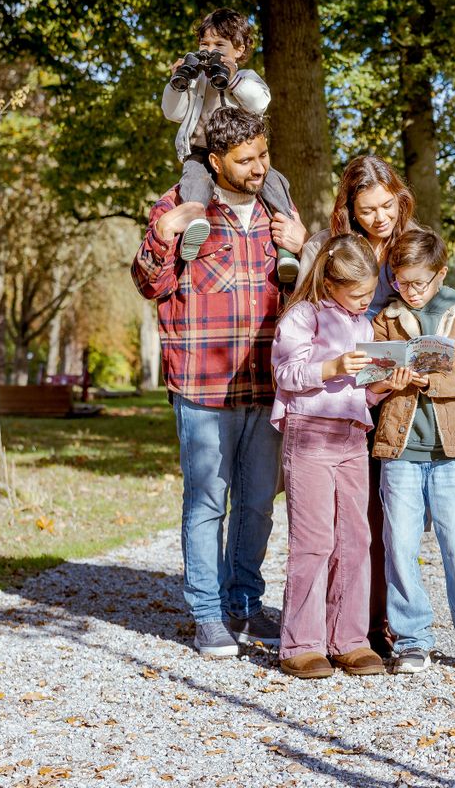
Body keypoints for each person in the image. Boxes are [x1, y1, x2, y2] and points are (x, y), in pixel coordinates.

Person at [296, 155, 455, 658]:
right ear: (350, 209)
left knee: (393, 528)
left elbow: (439, 296)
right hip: (352, 394)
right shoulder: (333, 246)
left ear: (399, 199)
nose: (379, 218)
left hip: (402, 405)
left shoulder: (411, 243)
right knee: (353, 520)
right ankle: (349, 625)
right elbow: (309, 306)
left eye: (386, 206)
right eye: (367, 210)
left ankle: (387, 625)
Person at [131, 106, 307, 657]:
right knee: (207, 502)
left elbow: (309, 295)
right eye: (245, 160)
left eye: (263, 156)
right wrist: (162, 235)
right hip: (203, 385)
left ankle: (246, 604)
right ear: (215, 160)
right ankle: (207, 614)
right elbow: (148, 283)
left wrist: (306, 246)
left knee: (257, 504)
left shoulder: (279, 211)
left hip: (267, 384)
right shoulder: (183, 205)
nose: (258, 168)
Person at [270, 234, 420, 679]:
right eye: (355, 294)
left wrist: (384, 385)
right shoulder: (304, 315)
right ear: (330, 282)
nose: (362, 303)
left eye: (367, 294)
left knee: (356, 539)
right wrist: (332, 367)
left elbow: (361, 393)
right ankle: (300, 641)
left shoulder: (360, 324)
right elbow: (285, 373)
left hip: (352, 436)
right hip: (310, 434)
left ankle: (349, 638)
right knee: (314, 541)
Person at [371, 228, 455, 675]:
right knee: (401, 545)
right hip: (400, 450)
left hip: (450, 453)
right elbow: (370, 378)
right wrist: (387, 380)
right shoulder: (387, 317)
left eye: (418, 283)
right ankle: (412, 640)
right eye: (400, 281)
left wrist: (434, 380)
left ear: (440, 274)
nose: (408, 291)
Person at [162, 7, 299, 280]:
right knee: (194, 180)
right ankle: (195, 225)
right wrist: (177, 83)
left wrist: (231, 77)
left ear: (239, 49)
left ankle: (287, 248)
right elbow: (173, 113)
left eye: (219, 46)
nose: (210, 51)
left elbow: (260, 102)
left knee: (274, 182)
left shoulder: (246, 77)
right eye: (204, 45)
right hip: (201, 150)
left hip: (240, 151)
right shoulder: (195, 82)